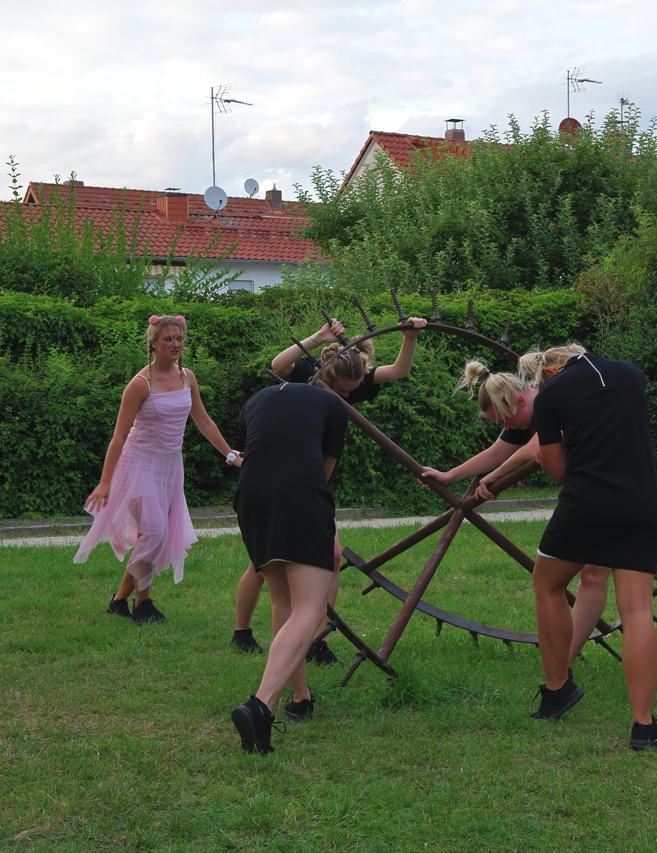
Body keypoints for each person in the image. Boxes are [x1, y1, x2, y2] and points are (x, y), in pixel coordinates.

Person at [230, 315, 427, 661]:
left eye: (351, 394)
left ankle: (316, 637)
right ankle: (242, 632)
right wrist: (319, 337)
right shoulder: (306, 370)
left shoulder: (352, 383)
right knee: (261, 565)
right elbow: (278, 363)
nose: (345, 399)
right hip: (279, 472)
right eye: (340, 392)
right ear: (326, 374)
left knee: (328, 557)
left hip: (305, 480)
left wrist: (409, 338)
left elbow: (398, 371)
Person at [518, 348, 657, 677]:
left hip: (625, 482)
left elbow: (541, 452)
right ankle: (565, 663)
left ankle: (563, 668)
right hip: (634, 479)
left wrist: (490, 478)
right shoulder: (622, 375)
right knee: (597, 574)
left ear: (550, 373)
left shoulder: (561, 391)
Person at [528, 348, 657, 750]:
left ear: (551, 369)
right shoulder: (632, 372)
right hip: (641, 503)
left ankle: (557, 688)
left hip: (586, 507)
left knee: (547, 585)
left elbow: (559, 471)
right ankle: (643, 726)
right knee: (638, 609)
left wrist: (547, 458)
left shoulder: (550, 394)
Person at [74, 315, 241, 624]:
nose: (176, 344)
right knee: (155, 532)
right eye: (168, 339)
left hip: (170, 467)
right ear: (153, 343)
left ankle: (120, 601)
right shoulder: (140, 385)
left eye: (179, 338)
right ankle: (143, 603)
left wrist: (231, 455)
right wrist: (105, 482)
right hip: (139, 464)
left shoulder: (187, 377)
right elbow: (119, 436)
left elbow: (203, 421)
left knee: (155, 537)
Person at [230, 379, 350, 754]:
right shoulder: (335, 408)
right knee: (310, 608)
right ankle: (261, 706)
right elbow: (323, 471)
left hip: (250, 495)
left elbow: (256, 449)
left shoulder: (257, 398)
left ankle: (301, 698)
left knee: (282, 601)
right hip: (300, 494)